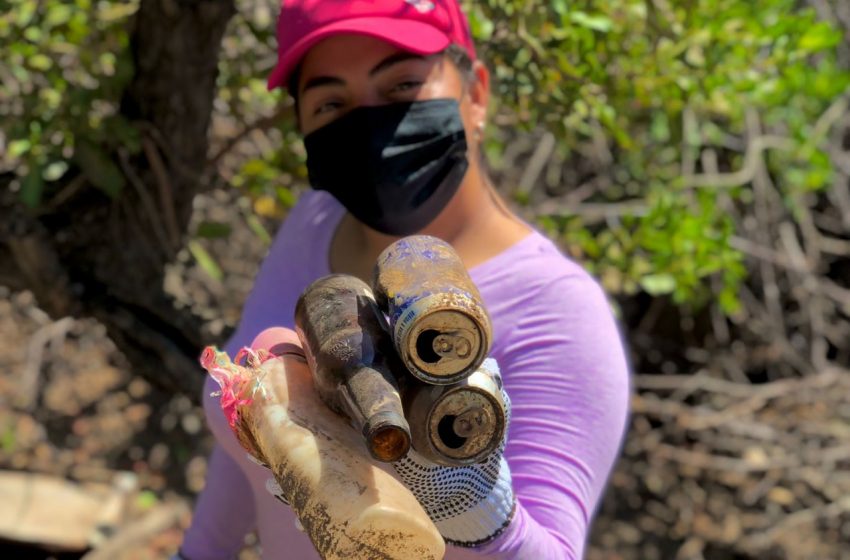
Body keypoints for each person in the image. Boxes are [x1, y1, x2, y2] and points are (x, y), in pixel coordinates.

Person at [176, 1, 630, 558]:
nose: (373, 130)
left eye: (402, 86)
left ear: (476, 93)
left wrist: (469, 499)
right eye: (331, 102)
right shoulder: (312, 222)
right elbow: (249, 443)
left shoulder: (557, 309)